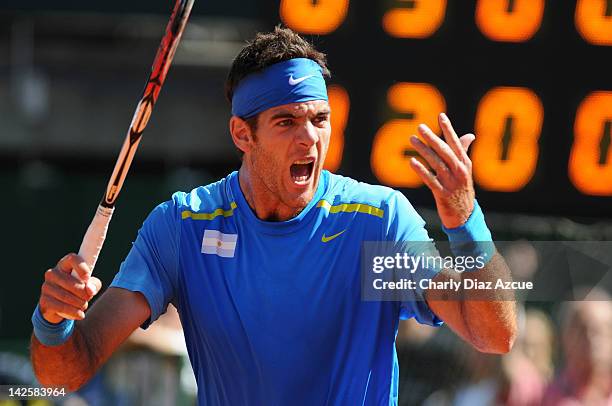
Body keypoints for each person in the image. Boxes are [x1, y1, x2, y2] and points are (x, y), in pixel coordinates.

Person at [30, 27, 517, 405]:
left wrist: (466, 220)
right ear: (243, 135)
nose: (310, 139)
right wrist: (53, 320)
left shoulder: (377, 224)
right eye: (286, 122)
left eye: (319, 119)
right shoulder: (181, 227)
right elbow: (68, 370)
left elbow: (494, 334)